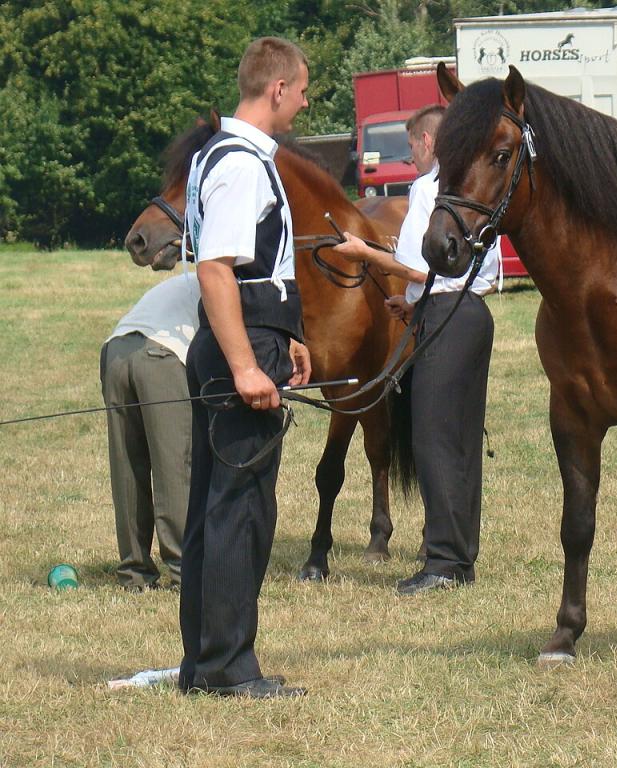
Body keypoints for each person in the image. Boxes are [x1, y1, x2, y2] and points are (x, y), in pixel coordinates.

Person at [177, 36, 312, 699]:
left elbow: (257, 266)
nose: (307, 102)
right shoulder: (241, 164)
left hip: (255, 337)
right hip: (237, 349)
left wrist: (285, 334)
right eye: (304, 89)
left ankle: (204, 667)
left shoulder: (224, 155)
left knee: (216, 507)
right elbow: (215, 270)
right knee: (240, 511)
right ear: (277, 89)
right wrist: (245, 365)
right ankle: (229, 670)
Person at [332, 104, 500, 596]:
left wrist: (365, 254)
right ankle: (459, 556)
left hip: (447, 315)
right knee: (461, 442)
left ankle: (444, 562)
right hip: (467, 313)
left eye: (411, 146)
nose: (410, 156)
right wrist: (413, 306)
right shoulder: (475, 186)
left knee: (433, 440)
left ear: (428, 143)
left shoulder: (432, 189)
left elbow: (423, 268)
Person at [101, 272, 200, 592]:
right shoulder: (231, 281)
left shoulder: (189, 278)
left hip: (115, 351)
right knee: (175, 467)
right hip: (161, 355)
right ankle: (185, 572)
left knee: (127, 466)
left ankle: (135, 573)